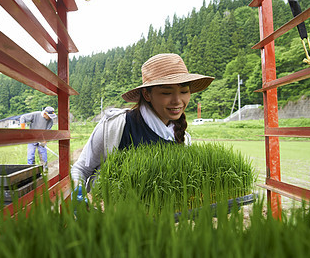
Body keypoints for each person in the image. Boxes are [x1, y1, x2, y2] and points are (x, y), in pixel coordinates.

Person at [71, 53, 214, 192]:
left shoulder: (184, 139)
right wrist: (78, 191)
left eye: (184, 92)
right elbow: (82, 168)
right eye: (166, 93)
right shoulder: (118, 126)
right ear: (147, 94)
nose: (177, 101)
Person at [20, 106, 57, 171]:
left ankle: (44, 170)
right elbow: (23, 118)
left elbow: (48, 132)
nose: (50, 118)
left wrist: (45, 141)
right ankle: (30, 171)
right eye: (49, 116)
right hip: (32, 139)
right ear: (45, 113)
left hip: (41, 139)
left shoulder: (50, 121)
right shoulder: (36, 115)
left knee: (43, 156)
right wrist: (23, 131)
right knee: (30, 156)